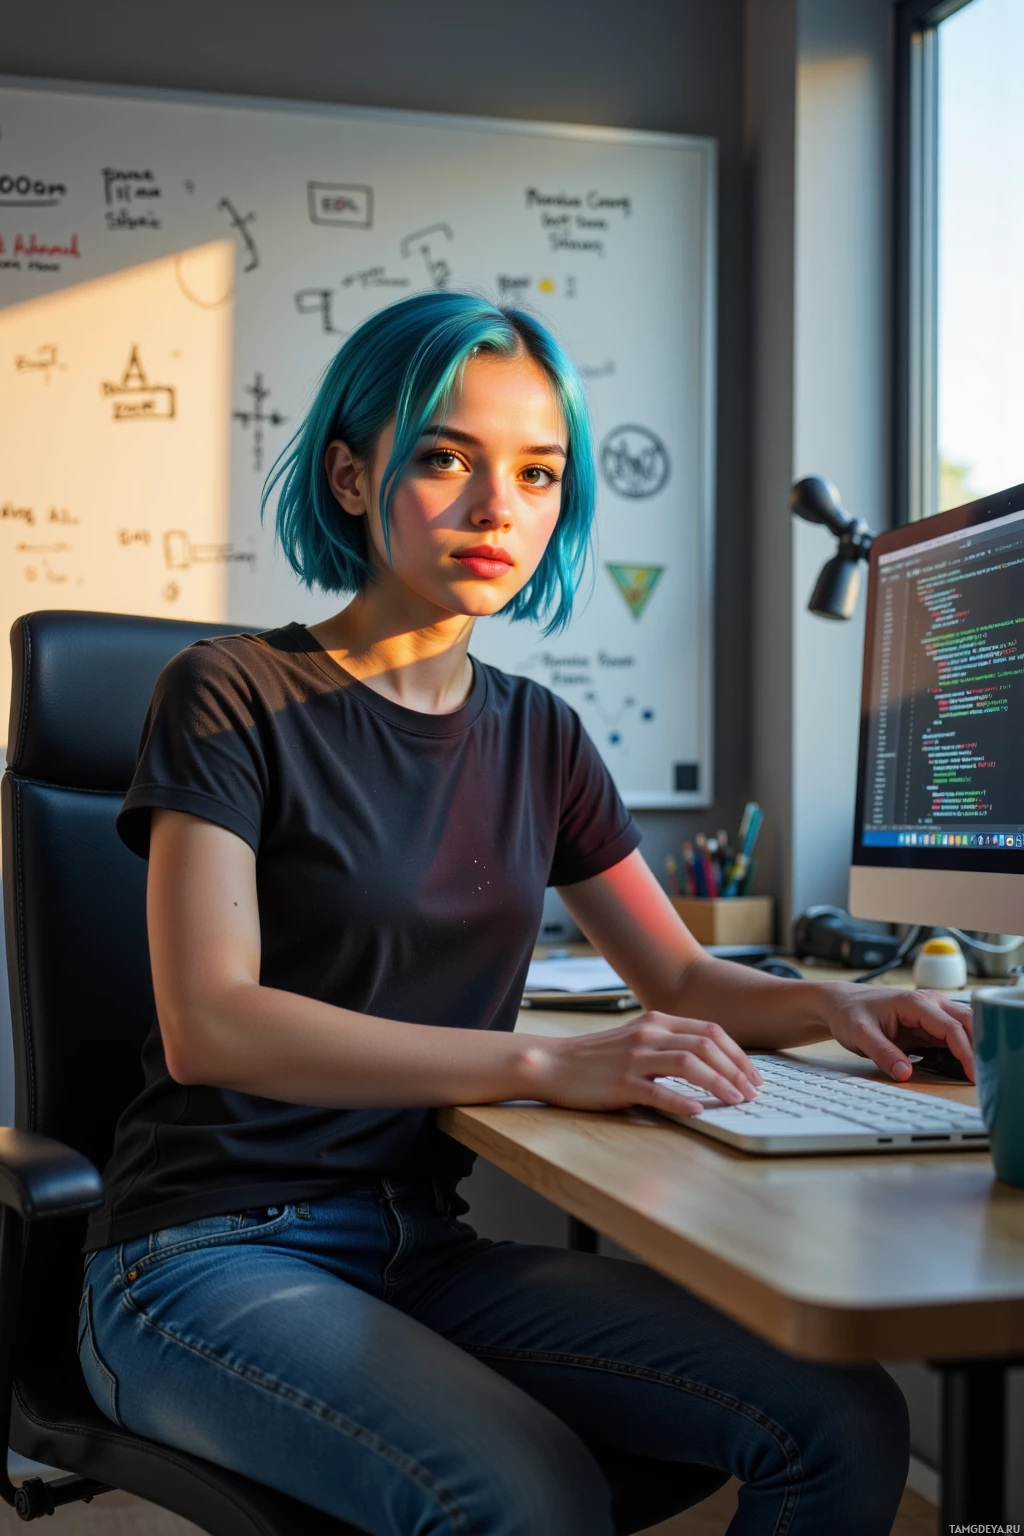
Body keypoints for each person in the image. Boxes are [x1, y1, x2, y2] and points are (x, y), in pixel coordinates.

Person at [79, 291, 972, 1536]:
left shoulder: (539, 734)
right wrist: (551, 1061)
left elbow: (680, 975)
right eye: (445, 457)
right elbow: (213, 1026)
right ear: (351, 475)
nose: (500, 507)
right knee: (527, 1497)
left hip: (417, 1247)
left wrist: (839, 999)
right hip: (205, 1254)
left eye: (539, 473)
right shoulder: (228, 692)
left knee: (840, 1420)